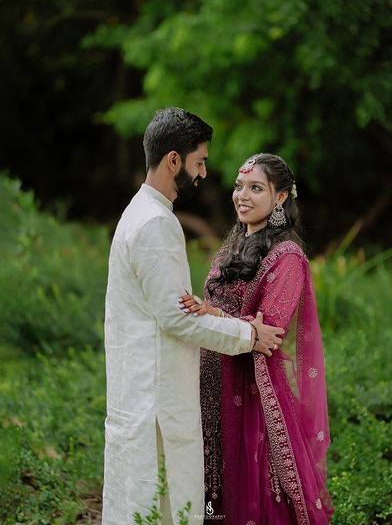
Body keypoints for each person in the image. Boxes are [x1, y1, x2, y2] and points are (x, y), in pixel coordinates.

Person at [102, 110, 285, 525]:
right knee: (161, 507)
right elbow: (178, 319)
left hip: (141, 391)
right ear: (173, 160)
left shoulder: (140, 212)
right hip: (156, 400)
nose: (203, 172)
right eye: (198, 161)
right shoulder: (155, 223)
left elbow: (177, 311)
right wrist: (247, 334)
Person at [180, 153, 334, 524]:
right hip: (210, 380)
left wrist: (213, 314)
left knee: (252, 490)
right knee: (211, 482)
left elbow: (270, 331)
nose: (241, 196)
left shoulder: (288, 257)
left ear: (280, 197)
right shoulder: (233, 246)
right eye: (238, 186)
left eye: (255, 188)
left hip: (252, 391)